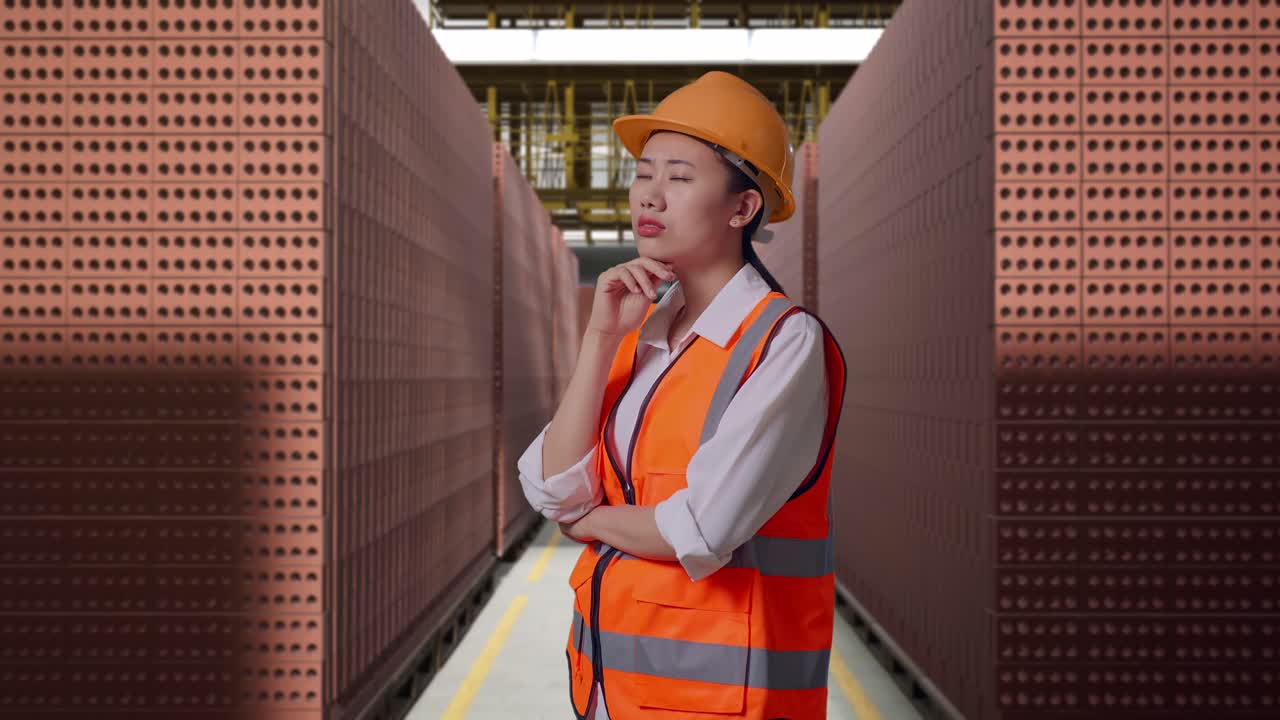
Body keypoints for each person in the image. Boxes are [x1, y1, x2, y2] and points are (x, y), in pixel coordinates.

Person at [518, 70, 848, 719]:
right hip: (613, 691)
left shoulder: (782, 342)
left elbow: (700, 528)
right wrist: (599, 337)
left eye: (679, 175)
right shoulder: (642, 334)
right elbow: (553, 486)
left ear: (742, 208)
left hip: (723, 698)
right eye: (644, 172)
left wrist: (584, 522)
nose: (651, 194)